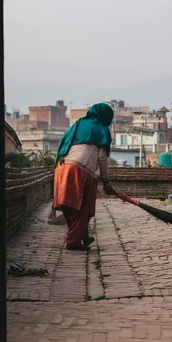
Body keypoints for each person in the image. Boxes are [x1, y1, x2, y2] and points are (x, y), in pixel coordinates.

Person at [54, 103, 117, 251]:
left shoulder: (78, 123)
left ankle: (83, 235)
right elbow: (101, 157)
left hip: (61, 168)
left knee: (69, 206)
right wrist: (106, 182)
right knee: (83, 207)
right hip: (80, 170)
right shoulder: (102, 129)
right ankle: (73, 241)